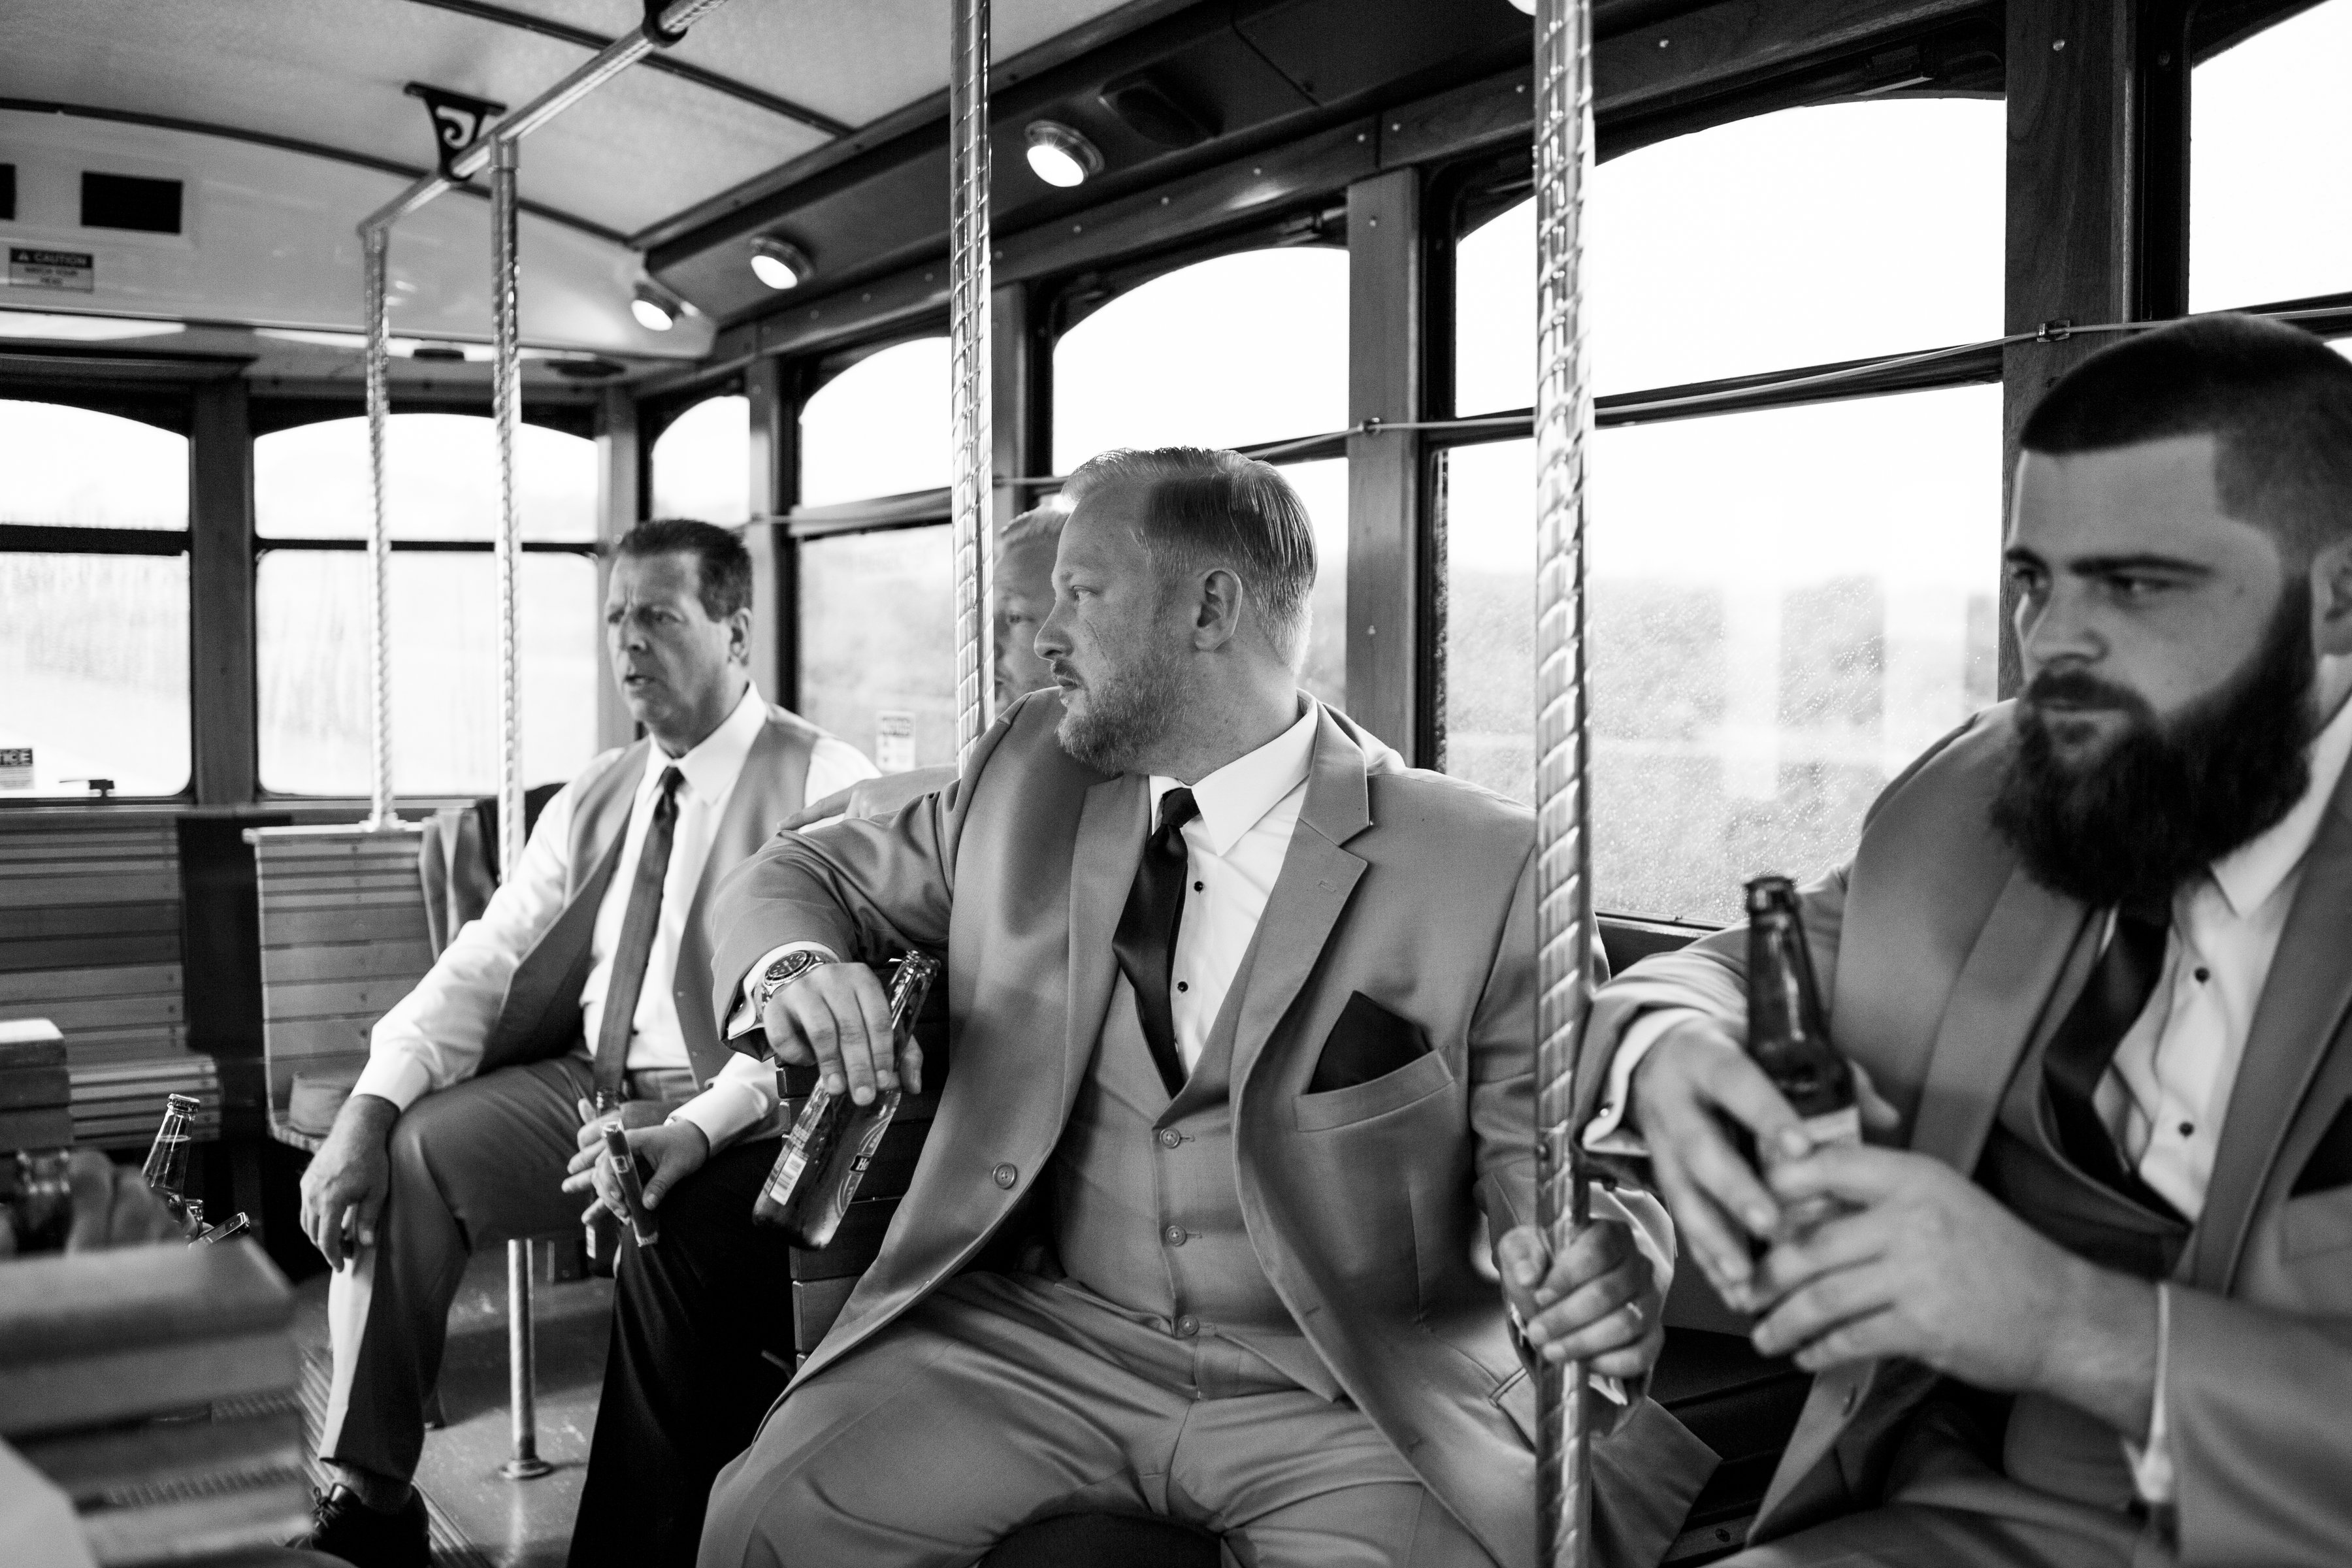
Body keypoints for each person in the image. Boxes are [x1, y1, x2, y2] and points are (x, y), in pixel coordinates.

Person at [598, 448, 1714, 1568]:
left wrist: (1601, 1266)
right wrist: (794, 969)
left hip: (1350, 1393)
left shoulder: (1486, 864)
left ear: (1209, 610)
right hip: (1056, 1343)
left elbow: (1558, 1173)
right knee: (763, 1517)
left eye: (1081, 595)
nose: (1046, 636)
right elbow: (800, 869)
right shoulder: (1026, 771)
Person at [1575, 312, 2352, 1567]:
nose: (2053, 643)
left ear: (2337, 598)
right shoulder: (1987, 784)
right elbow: (1740, 971)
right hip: (1976, 1509)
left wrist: (2065, 1326)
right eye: (2036, 580)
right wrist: (1667, 1052)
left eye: (2136, 585)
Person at [294, 519, 879, 1568]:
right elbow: (489, 958)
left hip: (740, 1095)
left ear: (737, 632)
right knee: (411, 1157)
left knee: (688, 1216)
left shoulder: (821, 775)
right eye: (615, 618)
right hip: (587, 1084)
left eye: (659, 616)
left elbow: (828, 1003)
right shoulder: (600, 791)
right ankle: (373, 1502)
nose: (628, 642)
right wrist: (370, 1107)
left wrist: (704, 1118)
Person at [560, 501, 1073, 1568]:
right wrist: (714, 1104)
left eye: (1037, 616)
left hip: (1037, 1211)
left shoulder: (824, 766)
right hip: (904, 1158)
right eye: (1008, 621)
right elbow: (793, 896)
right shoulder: (968, 808)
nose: (1015, 646)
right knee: (682, 1230)